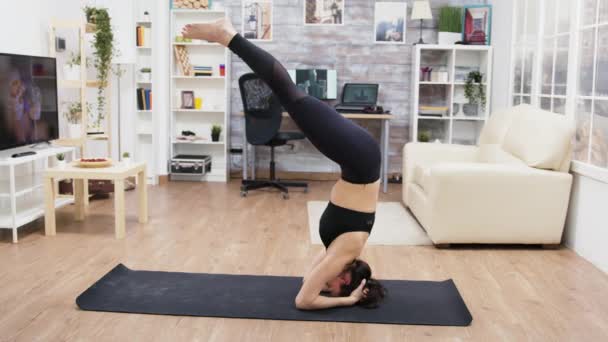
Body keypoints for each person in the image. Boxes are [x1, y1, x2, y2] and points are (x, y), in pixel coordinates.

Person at [182, 17, 387, 310]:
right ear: (345, 280)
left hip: (358, 162)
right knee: (290, 94)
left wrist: (342, 294)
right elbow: (305, 301)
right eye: (334, 289)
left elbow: (307, 284)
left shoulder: (336, 255)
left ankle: (227, 36)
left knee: (291, 96)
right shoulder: (344, 254)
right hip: (361, 161)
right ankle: (228, 36)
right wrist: (347, 301)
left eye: (327, 291)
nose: (327, 289)